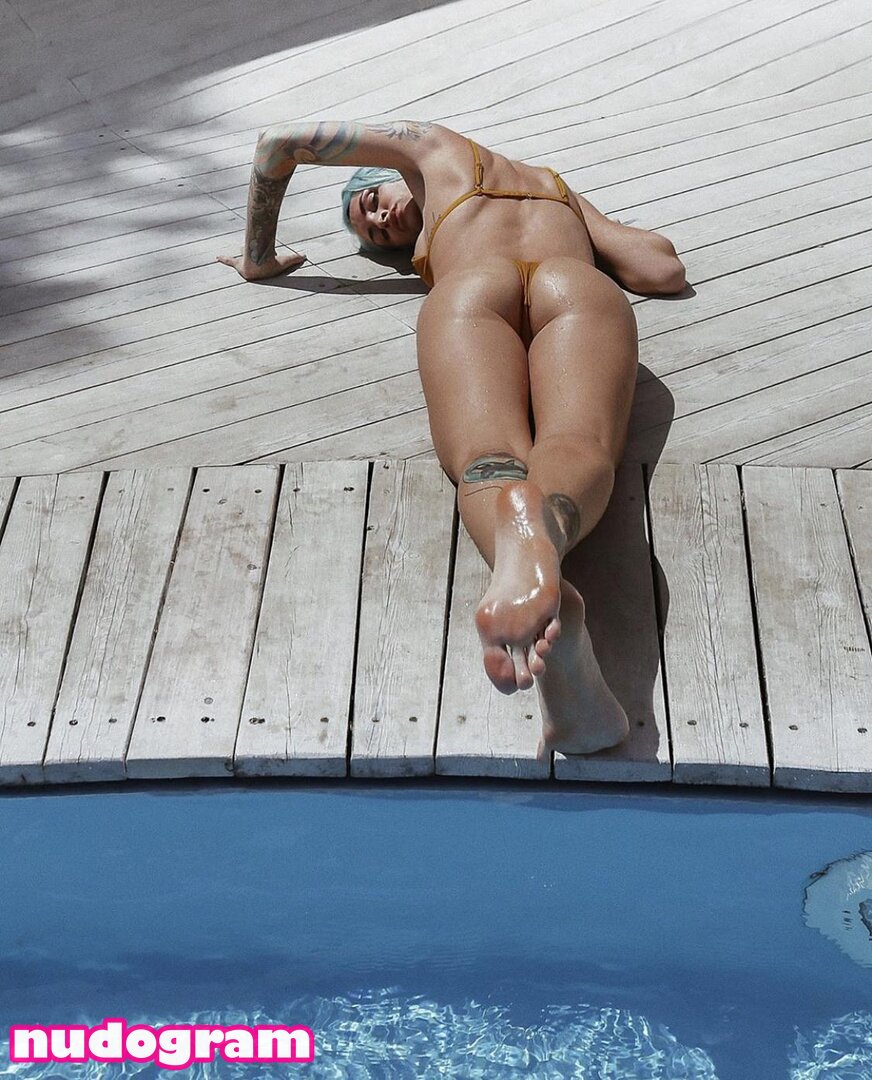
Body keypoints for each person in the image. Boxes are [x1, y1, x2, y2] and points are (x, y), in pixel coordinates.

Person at [218, 119, 686, 759]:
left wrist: (259, 259)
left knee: (487, 460)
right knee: (581, 444)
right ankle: (542, 537)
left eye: (370, 202)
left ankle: (535, 566)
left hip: (474, 289)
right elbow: (660, 270)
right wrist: (583, 222)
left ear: (393, 174)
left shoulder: (431, 148)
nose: (380, 220)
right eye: (377, 235)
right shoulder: (556, 189)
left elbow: (277, 143)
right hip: (573, 285)